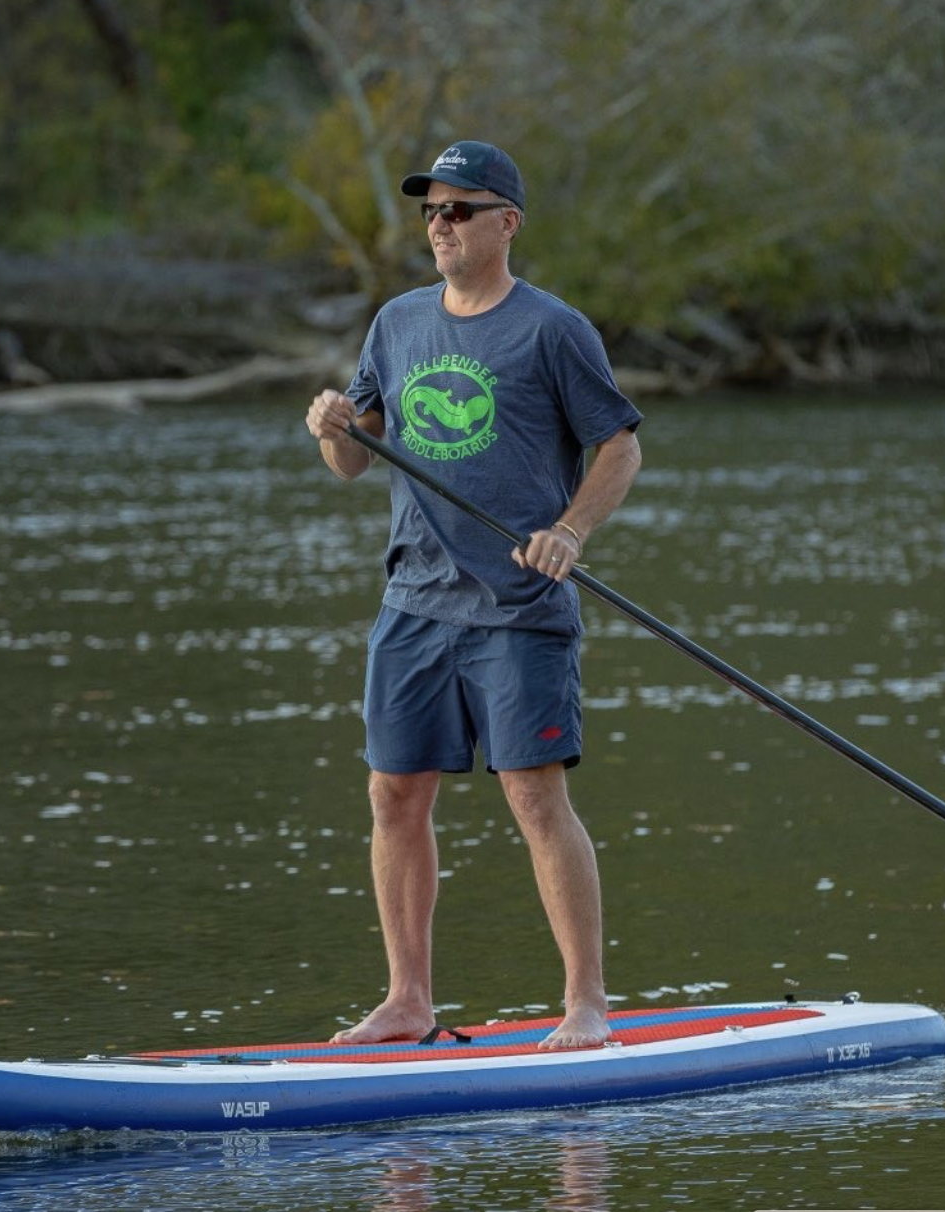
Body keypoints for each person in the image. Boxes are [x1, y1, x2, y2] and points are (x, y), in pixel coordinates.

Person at [305, 140, 642, 1050]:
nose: (440, 225)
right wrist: (334, 426)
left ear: (508, 222)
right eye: (430, 211)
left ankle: (585, 1006)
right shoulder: (397, 323)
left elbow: (620, 448)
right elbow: (350, 461)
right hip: (413, 603)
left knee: (535, 799)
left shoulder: (553, 329)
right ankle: (408, 1000)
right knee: (392, 796)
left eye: (459, 209)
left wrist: (569, 531)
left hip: (519, 606)